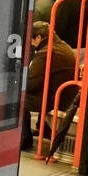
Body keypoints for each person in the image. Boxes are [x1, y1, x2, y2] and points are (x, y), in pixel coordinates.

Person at [22, 21, 77, 152]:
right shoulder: (63, 46)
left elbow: (31, 84)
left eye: (32, 40)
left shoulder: (45, 52)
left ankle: (24, 139)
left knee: (16, 99)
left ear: (39, 38)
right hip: (65, 96)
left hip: (55, 99)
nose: (31, 43)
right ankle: (45, 129)